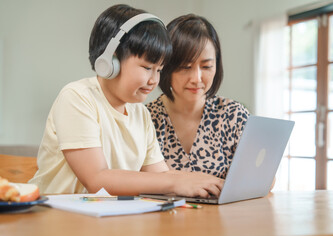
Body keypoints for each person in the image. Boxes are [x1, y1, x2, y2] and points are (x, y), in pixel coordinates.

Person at [29, 5, 223, 198]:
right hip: (58, 218)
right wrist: (176, 182)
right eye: (147, 67)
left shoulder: (141, 114)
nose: (154, 80)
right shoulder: (77, 97)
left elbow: (160, 175)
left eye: (159, 69)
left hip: (108, 220)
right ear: (110, 62)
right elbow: (97, 180)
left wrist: (206, 182)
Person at [146, 14, 250, 179]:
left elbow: (262, 179)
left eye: (207, 66)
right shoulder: (146, 118)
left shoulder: (234, 115)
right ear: (165, 67)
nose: (196, 78)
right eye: (185, 67)